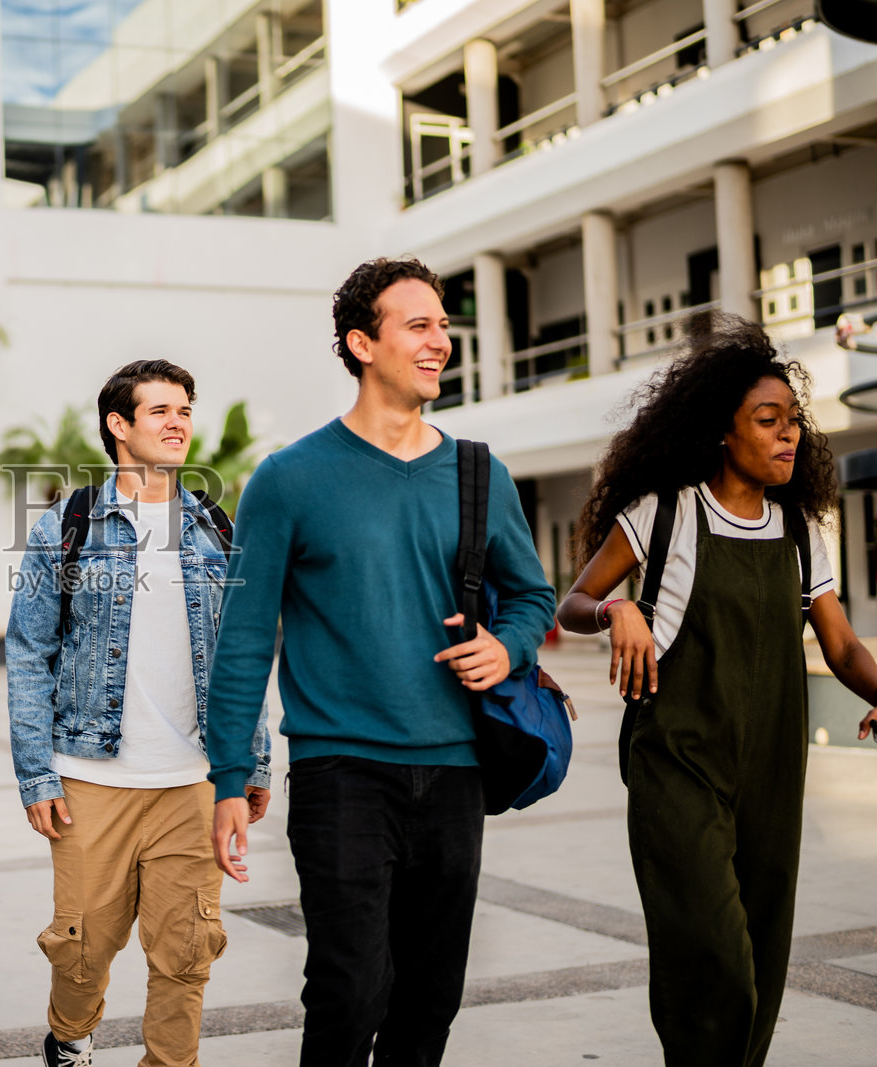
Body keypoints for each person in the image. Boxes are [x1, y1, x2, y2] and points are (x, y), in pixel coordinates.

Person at [204, 258, 555, 1066]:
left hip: (456, 769)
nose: (441, 341)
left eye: (443, 324)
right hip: (343, 772)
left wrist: (507, 646)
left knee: (430, 999)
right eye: (419, 325)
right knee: (348, 990)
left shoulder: (479, 474)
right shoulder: (290, 480)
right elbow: (245, 638)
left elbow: (533, 596)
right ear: (362, 343)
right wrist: (229, 776)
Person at [557, 314, 877, 1067]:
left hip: (771, 770)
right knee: (713, 958)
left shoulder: (800, 529)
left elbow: (843, 646)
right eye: (767, 421)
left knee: (761, 962)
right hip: (677, 764)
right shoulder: (664, 513)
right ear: (721, 433)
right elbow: (572, 603)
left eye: (793, 421)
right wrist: (617, 606)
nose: (787, 435)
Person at [6, 359, 272, 1067]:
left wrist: (251, 762)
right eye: (158, 410)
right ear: (118, 426)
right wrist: (36, 774)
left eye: (184, 408)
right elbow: (29, 650)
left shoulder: (217, 527)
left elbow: (243, 653)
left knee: (187, 950)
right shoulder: (69, 523)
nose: (177, 421)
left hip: (193, 781)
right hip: (90, 777)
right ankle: (70, 1035)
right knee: (82, 945)